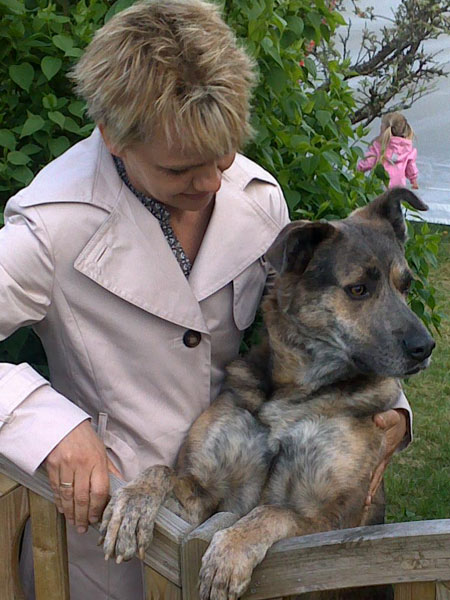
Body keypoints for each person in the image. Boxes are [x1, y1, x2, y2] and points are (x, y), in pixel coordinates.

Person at [0, 1, 410, 599]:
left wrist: (391, 410)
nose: (214, 182)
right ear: (113, 137)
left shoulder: (256, 197)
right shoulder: (52, 225)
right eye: (181, 170)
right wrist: (47, 425)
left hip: (235, 523)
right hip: (112, 539)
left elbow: (311, 320)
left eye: (223, 155)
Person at [357, 112, 419, 189]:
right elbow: (411, 167)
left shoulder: (379, 146)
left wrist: (358, 171)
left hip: (379, 186)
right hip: (398, 188)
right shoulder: (407, 149)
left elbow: (368, 162)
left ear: (384, 129)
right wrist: (414, 181)